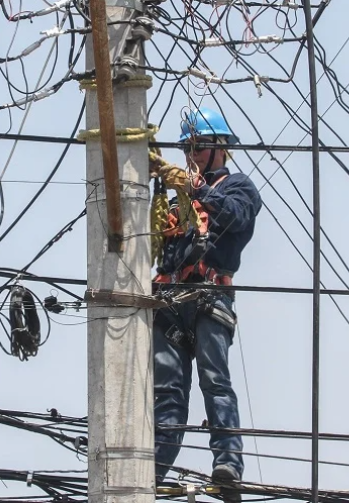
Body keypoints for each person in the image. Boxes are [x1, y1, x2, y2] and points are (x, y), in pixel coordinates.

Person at [149, 107, 262, 500]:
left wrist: (197, 190)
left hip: (209, 296)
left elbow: (235, 216)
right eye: (188, 147)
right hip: (167, 300)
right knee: (167, 395)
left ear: (220, 147)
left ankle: (228, 464)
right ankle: (151, 472)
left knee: (215, 383)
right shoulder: (178, 195)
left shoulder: (239, 187)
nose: (192, 153)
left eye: (199, 146)